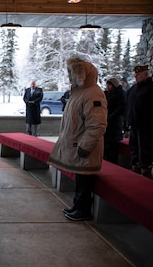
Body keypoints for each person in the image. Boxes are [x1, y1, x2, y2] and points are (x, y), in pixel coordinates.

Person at [48, 57, 107, 221]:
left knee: (85, 179)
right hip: (77, 144)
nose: (69, 76)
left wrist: (85, 145)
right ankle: (78, 206)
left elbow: (97, 124)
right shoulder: (80, 92)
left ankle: (83, 209)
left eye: (71, 72)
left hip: (85, 148)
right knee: (80, 178)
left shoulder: (93, 93)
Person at [125, 65, 153, 179]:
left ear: (146, 74)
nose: (136, 76)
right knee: (134, 147)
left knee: (145, 149)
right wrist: (127, 121)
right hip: (134, 125)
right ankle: (135, 167)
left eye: (139, 74)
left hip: (147, 126)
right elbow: (128, 106)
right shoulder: (133, 89)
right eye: (135, 75)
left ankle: (146, 171)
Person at [103, 77, 125, 164]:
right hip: (108, 123)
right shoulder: (108, 94)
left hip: (114, 124)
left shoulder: (119, 94)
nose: (107, 87)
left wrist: (109, 117)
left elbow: (120, 109)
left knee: (112, 148)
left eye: (109, 85)